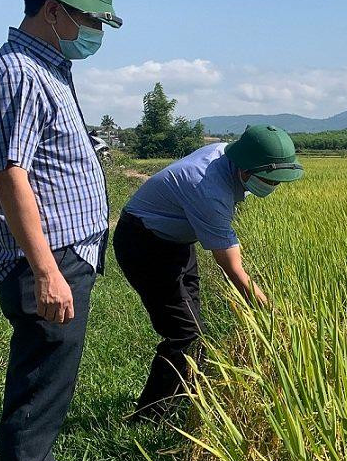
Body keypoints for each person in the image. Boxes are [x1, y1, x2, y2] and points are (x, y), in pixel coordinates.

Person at [0, 0, 122, 461]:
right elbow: (10, 174)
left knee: (53, 377)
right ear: (56, 11)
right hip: (49, 256)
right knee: (40, 381)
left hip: (66, 252)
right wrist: (46, 271)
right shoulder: (19, 71)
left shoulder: (48, 68)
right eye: (89, 22)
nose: (92, 34)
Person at [114, 125, 304, 419]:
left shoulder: (232, 156)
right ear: (245, 170)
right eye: (270, 180)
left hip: (176, 238)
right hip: (145, 243)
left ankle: (187, 393)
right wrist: (273, 315)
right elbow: (232, 268)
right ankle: (151, 415)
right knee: (185, 333)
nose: (274, 187)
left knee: (193, 321)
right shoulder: (207, 189)